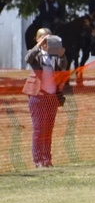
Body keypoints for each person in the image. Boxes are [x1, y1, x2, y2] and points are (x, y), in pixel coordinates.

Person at [24, 29, 68, 168]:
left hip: (51, 98)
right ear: (37, 39)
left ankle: (47, 159)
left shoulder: (54, 55)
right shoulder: (36, 56)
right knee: (39, 129)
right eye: (42, 38)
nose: (45, 41)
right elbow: (28, 58)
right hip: (38, 97)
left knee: (48, 129)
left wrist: (62, 55)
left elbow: (62, 66)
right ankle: (38, 160)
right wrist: (39, 45)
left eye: (48, 38)